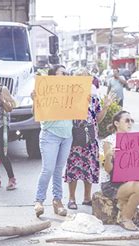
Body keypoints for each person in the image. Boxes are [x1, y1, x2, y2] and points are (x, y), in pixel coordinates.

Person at [102, 110, 139, 231]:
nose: (130, 123)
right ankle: (125, 218)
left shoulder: (135, 140)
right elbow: (108, 170)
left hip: (131, 180)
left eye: (131, 121)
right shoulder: (109, 141)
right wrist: (108, 156)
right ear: (117, 123)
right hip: (113, 184)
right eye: (127, 120)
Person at [65, 68, 113, 210]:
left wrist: (105, 107)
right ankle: (71, 198)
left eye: (85, 78)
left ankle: (87, 197)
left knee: (90, 167)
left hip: (90, 136)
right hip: (74, 136)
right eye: (79, 77)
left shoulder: (93, 98)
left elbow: (97, 118)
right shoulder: (69, 97)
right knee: (73, 168)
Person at [33, 64, 72, 217]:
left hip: (67, 135)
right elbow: (36, 115)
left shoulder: (70, 91)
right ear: (53, 75)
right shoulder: (44, 91)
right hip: (50, 134)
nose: (66, 75)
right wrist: (36, 100)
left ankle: (57, 200)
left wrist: (83, 100)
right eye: (63, 72)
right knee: (48, 169)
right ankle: (39, 200)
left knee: (58, 170)